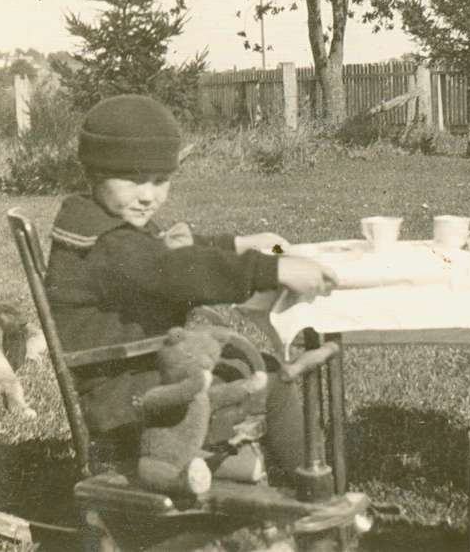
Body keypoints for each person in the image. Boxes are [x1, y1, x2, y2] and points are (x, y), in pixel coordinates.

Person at [44, 94, 338, 475]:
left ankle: (247, 468)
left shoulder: (99, 223)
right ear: (94, 175)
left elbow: (170, 250)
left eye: (160, 181)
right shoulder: (109, 244)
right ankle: (309, 487)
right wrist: (271, 270)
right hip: (126, 397)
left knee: (251, 367)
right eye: (133, 181)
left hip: (133, 376)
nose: (148, 196)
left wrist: (236, 244)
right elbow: (178, 269)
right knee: (272, 381)